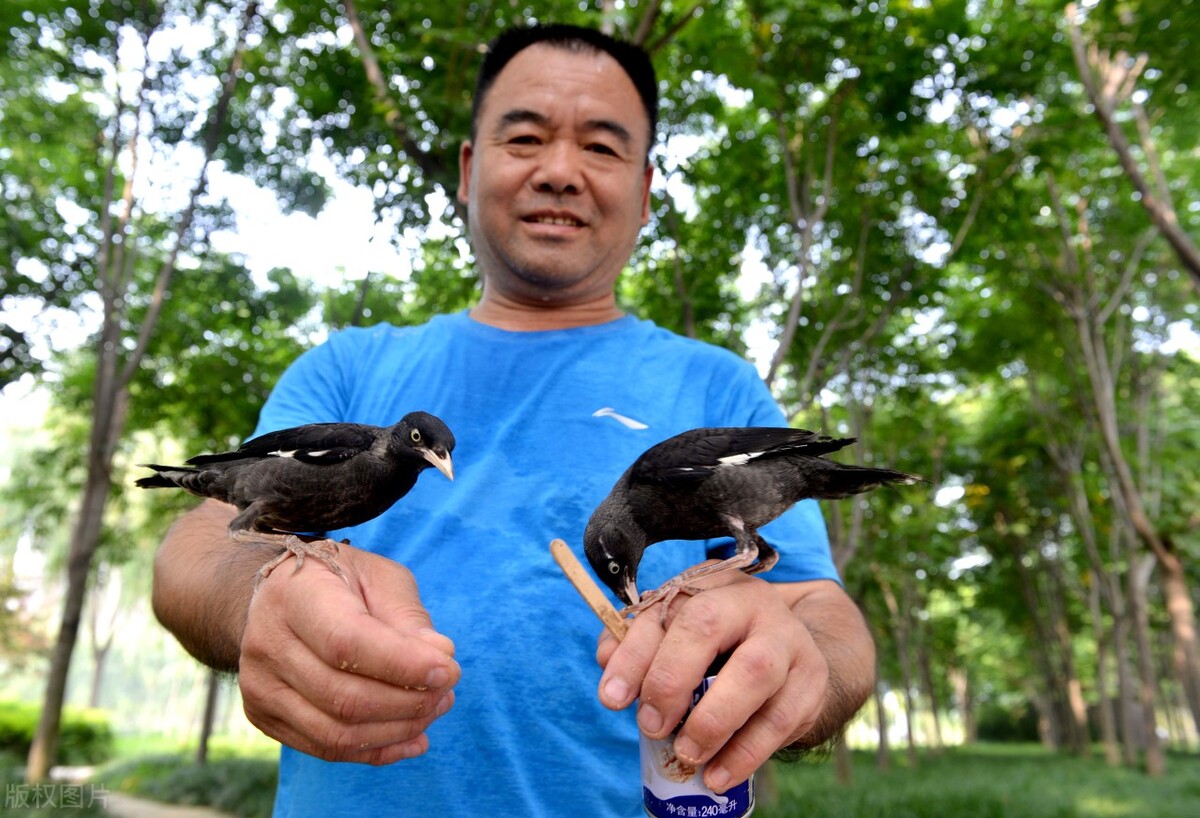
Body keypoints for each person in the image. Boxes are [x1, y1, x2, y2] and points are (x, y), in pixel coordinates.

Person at [152, 23, 875, 818]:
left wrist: (798, 668)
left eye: (601, 148)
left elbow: (822, 617)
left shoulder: (718, 387)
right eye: (526, 136)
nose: (560, 171)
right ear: (470, 169)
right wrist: (259, 597)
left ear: (644, 191)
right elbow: (197, 549)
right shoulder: (347, 370)